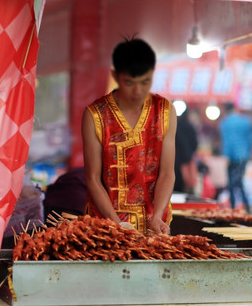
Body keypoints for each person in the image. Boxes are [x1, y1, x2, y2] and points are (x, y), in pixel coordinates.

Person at [81, 37, 177, 235]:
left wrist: (157, 216)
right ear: (115, 76)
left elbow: (167, 172)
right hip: (106, 226)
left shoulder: (165, 111)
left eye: (145, 82)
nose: (137, 91)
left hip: (154, 227)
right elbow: (92, 179)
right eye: (129, 82)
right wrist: (117, 225)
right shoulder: (95, 114)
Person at [218, 102, 252, 213]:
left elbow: (227, 142)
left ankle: (233, 208)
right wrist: (247, 154)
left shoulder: (224, 123)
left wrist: (226, 156)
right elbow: (250, 140)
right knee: (239, 182)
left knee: (232, 184)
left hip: (231, 157)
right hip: (243, 156)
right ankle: (247, 208)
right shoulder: (245, 122)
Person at [174, 108, 199, 194]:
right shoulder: (190, 127)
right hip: (186, 160)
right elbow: (195, 144)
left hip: (175, 160)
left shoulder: (175, 126)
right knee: (187, 186)